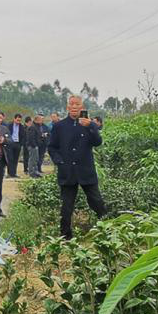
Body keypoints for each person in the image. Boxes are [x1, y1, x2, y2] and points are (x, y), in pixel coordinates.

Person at [48, 95, 107, 239]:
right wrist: (59, 162)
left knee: (96, 201)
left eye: (77, 104)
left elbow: (97, 142)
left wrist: (91, 126)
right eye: (72, 104)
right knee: (67, 206)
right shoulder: (59, 126)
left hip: (86, 170)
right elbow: (52, 147)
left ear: (82, 107)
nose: (74, 106)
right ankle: (65, 236)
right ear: (67, 107)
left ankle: (107, 228)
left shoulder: (88, 125)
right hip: (67, 171)